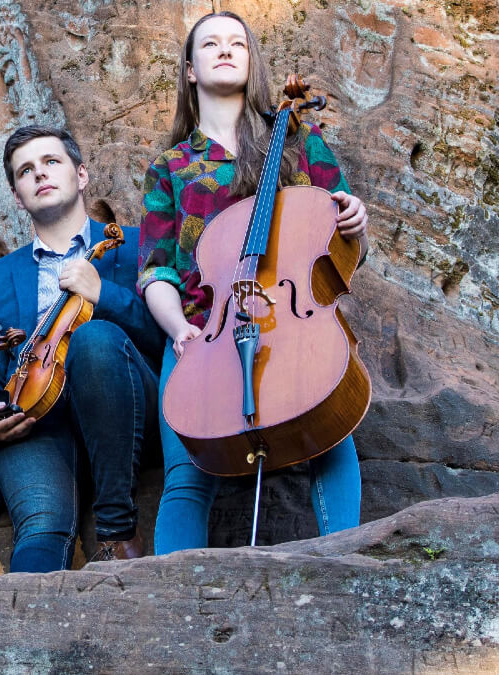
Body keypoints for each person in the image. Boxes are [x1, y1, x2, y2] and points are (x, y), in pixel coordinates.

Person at [137, 11, 371, 555]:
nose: (225, 50)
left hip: (289, 316)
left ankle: (349, 564)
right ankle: (171, 596)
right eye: (210, 44)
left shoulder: (297, 138)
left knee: (332, 436)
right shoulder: (170, 166)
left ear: (252, 60)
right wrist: (179, 332)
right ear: (190, 70)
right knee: (186, 474)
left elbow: (340, 233)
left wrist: (354, 218)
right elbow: (156, 268)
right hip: (205, 330)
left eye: (237, 43)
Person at [0, 126, 166, 571]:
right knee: (39, 530)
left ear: (82, 174)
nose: (40, 174)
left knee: (93, 339)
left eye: (51, 162)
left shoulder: (134, 248)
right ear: (18, 196)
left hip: (127, 407)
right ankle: (23, 633)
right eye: (26, 171)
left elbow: (167, 338)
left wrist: (104, 295)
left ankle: (115, 530)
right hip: (35, 419)